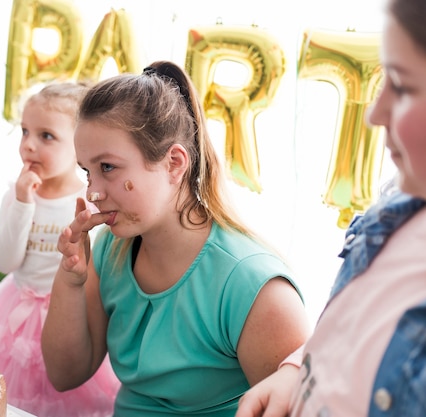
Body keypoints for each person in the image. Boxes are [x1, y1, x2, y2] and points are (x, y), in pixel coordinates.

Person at [40, 60, 311, 416]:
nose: (93, 193)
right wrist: (71, 280)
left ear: (174, 163)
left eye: (108, 167)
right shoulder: (110, 249)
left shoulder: (253, 286)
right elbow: (64, 375)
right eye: (87, 172)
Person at [235, 0, 426, 416]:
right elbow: (360, 322)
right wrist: (296, 368)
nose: (375, 114)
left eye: (404, 85)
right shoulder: (395, 203)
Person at [0, 82, 120, 417]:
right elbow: (4, 261)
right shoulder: (18, 194)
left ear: (80, 145)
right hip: (13, 317)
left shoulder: (87, 198)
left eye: (46, 136)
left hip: (67, 317)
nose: (28, 145)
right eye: (25, 132)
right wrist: (23, 203)